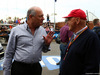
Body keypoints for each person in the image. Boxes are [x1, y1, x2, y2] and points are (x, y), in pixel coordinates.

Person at [3, 6, 55, 75]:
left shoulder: (42, 30)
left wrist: (47, 44)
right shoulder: (16, 30)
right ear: (31, 17)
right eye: (40, 16)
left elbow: (45, 50)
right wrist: (6, 72)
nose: (43, 18)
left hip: (36, 69)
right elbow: (9, 53)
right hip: (19, 69)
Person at [60, 9, 100, 75]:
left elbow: (92, 69)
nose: (67, 23)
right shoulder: (75, 34)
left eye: (69, 19)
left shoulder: (91, 38)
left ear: (77, 20)